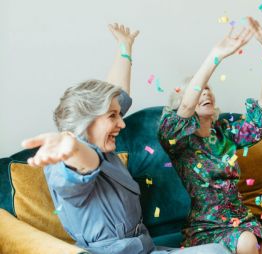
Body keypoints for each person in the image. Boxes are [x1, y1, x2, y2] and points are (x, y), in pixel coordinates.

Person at [22, 23, 228, 254]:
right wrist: (72, 147)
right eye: (113, 116)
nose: (122, 123)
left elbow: (116, 93)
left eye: (119, 114)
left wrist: (125, 49)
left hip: (146, 248)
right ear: (86, 121)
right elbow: (85, 164)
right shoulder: (65, 163)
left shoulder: (102, 146)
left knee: (218, 250)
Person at [158, 17, 262, 254]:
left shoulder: (224, 132)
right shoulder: (178, 140)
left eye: (209, 89)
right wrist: (216, 56)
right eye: (199, 91)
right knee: (247, 242)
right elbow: (185, 109)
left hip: (241, 221)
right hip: (205, 227)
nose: (205, 92)